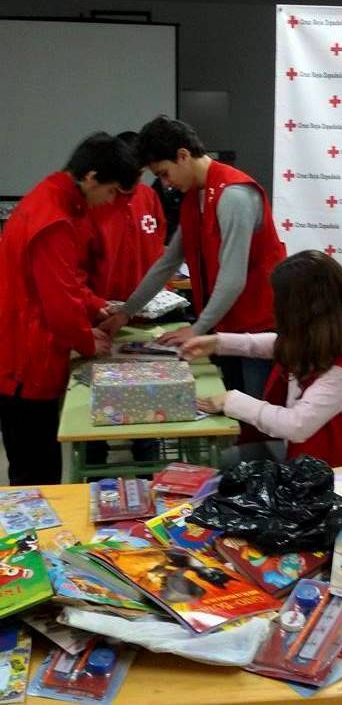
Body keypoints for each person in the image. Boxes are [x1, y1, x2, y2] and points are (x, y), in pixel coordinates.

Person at [101, 116, 285, 399]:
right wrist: (127, 311)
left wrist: (197, 328)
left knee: (256, 418)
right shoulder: (194, 197)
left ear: (183, 155)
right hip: (224, 327)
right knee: (230, 407)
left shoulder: (233, 195)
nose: (167, 184)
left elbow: (233, 278)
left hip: (256, 329)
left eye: (164, 173)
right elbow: (167, 262)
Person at [0, 133, 140, 485]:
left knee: (36, 462)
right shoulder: (54, 219)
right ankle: (31, 541)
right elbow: (59, 305)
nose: (109, 202)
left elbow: (66, 282)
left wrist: (95, 306)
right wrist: (89, 342)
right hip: (27, 363)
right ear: (90, 177)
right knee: (37, 473)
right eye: (110, 192)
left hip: (27, 353)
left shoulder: (52, 201)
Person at [182, 250, 342, 468]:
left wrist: (231, 400)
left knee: (219, 468)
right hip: (309, 458)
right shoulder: (327, 340)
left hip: (332, 474)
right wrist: (217, 343)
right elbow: (274, 344)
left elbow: (296, 426)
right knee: (218, 464)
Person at [80, 131, 167, 465]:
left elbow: (159, 245)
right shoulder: (97, 203)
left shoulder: (148, 197)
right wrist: (96, 308)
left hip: (144, 317)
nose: (137, 180)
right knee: (95, 406)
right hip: (102, 317)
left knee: (149, 405)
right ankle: (95, 466)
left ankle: (148, 473)